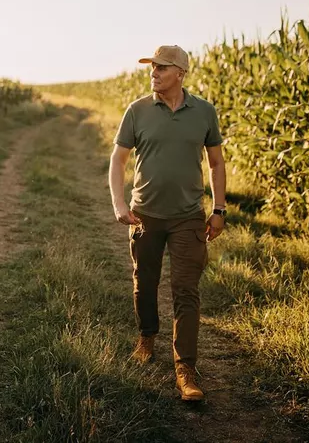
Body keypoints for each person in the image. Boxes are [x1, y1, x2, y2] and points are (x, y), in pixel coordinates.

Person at [108, 45, 226, 402]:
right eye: (152, 67)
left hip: (189, 216)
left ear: (180, 73)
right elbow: (118, 161)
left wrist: (219, 209)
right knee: (145, 282)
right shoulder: (137, 110)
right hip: (145, 214)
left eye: (161, 67)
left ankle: (185, 369)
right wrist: (118, 203)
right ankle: (147, 337)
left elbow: (216, 163)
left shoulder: (204, 112)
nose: (153, 72)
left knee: (186, 290)